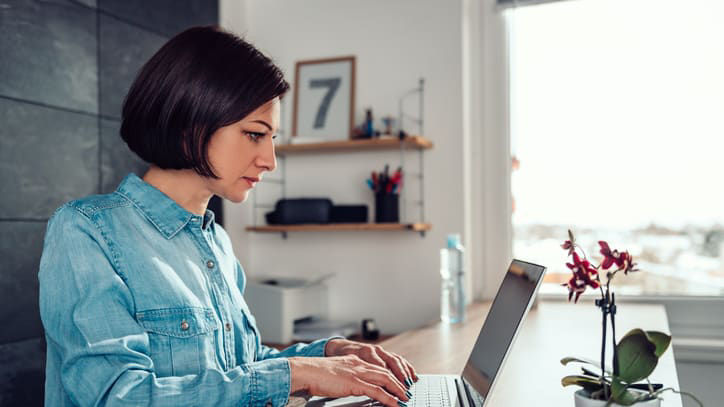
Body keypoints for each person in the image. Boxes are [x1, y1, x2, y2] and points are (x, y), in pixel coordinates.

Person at [38, 26, 417, 407]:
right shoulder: (86, 231)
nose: (268, 160)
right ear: (190, 124)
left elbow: (243, 368)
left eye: (273, 139)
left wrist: (330, 355)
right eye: (255, 134)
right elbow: (118, 398)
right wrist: (298, 373)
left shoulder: (215, 241)